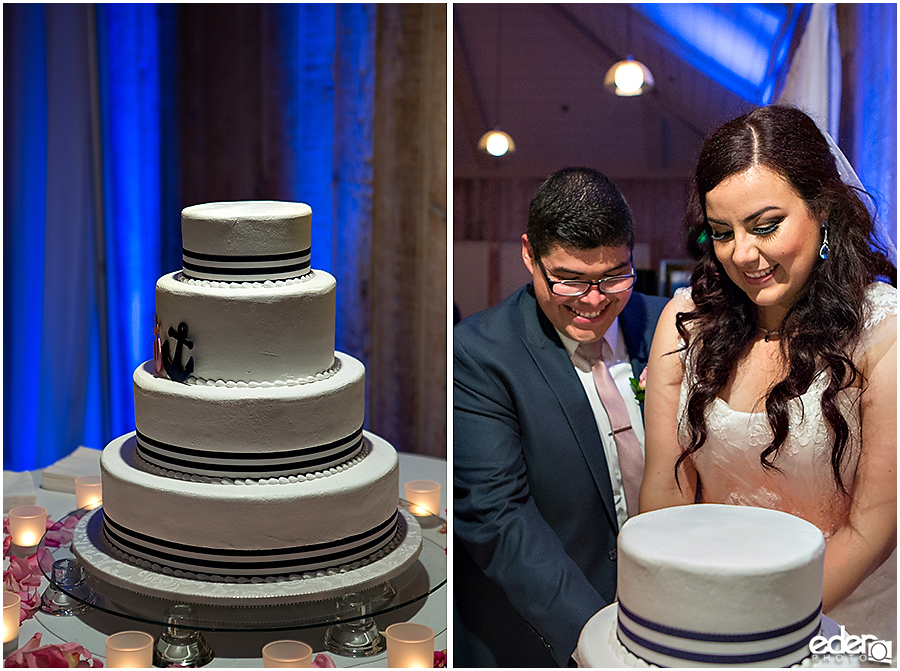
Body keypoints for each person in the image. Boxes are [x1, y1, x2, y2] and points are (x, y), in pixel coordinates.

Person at [641, 105, 897, 645]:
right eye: (722, 233)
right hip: (704, 614)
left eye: (765, 226)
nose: (743, 255)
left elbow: (872, 528)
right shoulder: (689, 324)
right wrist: (675, 609)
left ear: (822, 207)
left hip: (835, 619)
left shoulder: (883, 331)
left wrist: (756, 628)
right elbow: (666, 490)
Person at [454, 167, 668, 667]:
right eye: (569, 279)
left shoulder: (669, 326)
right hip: (552, 638)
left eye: (614, 275)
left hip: (676, 613)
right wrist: (599, 641)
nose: (594, 302)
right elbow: (499, 517)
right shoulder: (480, 355)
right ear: (529, 254)